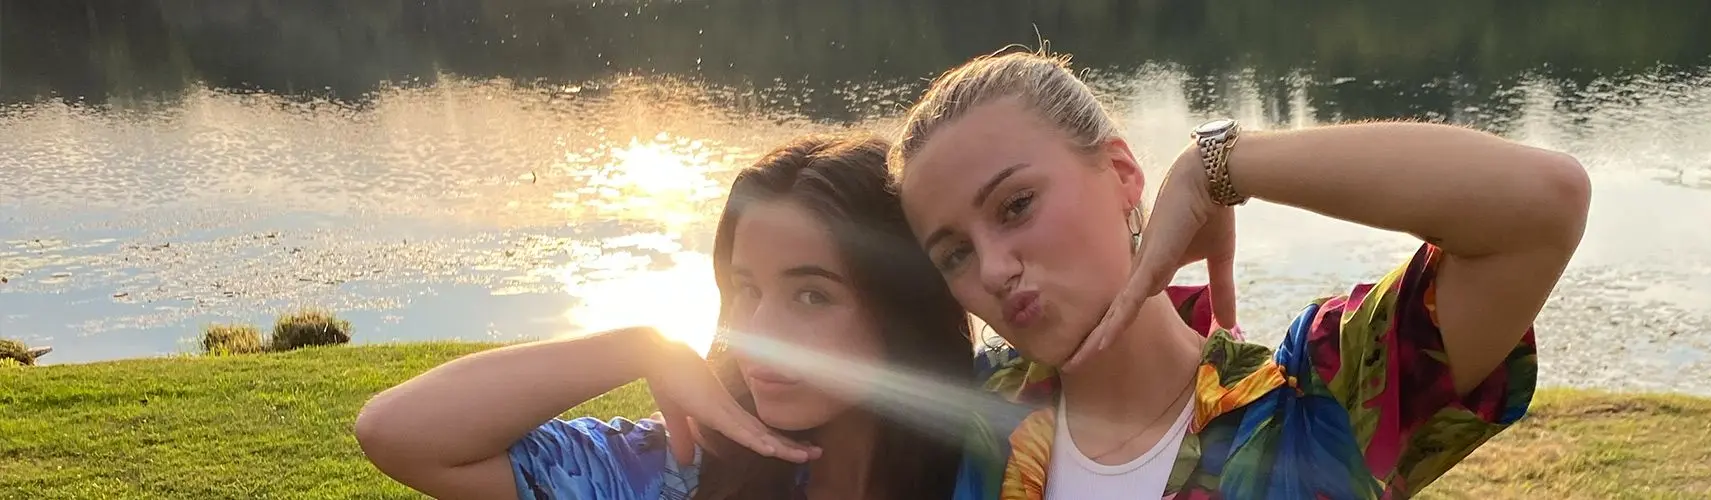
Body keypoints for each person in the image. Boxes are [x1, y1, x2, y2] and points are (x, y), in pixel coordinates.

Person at [889, 49, 1590, 499]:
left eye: (1016, 206)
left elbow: (1541, 208)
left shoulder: (1312, 409)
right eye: (953, 253)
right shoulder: (967, 414)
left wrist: (1219, 169)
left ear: (1123, 174)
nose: (995, 268)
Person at [354, 135, 975, 499]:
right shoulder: (682, 468)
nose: (757, 335)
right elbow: (398, 432)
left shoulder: (1009, 446)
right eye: (745, 291)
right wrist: (640, 348)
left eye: (811, 296)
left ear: (905, 305)